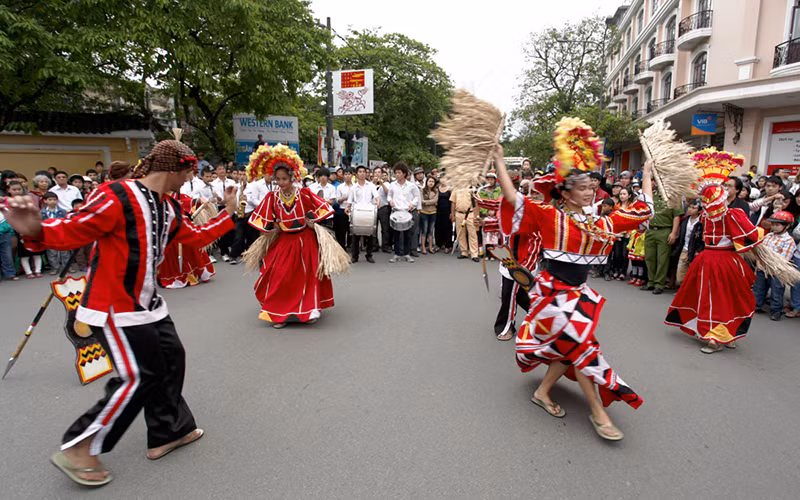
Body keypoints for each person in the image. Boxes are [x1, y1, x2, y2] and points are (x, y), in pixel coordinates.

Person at [2, 140, 235, 487]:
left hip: (149, 305)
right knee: (140, 376)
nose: (190, 178)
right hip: (114, 306)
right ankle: (80, 447)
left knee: (172, 359)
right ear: (174, 168)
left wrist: (227, 215)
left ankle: (167, 431)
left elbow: (194, 238)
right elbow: (71, 230)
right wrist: (34, 231)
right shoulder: (117, 195)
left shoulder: (168, 206)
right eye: (188, 171)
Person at [494, 119, 653, 441]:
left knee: (572, 348)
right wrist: (498, 158)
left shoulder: (600, 222)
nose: (590, 193)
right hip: (550, 297)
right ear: (565, 192)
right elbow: (513, 199)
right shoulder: (549, 215)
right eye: (582, 188)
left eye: (592, 188)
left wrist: (647, 176)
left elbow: (642, 211)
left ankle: (543, 391)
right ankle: (598, 412)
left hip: (578, 296)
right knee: (582, 348)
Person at [666, 148, 768, 354]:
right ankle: (718, 335)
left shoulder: (707, 216)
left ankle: (719, 334)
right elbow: (751, 236)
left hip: (708, 259)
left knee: (710, 297)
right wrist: (763, 230)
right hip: (726, 261)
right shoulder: (732, 214)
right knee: (724, 297)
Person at [247, 144, 335, 328]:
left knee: (307, 276)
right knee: (280, 274)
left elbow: (322, 208)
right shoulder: (272, 197)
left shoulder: (303, 193)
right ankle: (279, 313)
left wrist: (311, 222)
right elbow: (261, 220)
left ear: (292, 178)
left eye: (284, 179)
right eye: (278, 179)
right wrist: (272, 228)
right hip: (284, 241)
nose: (281, 183)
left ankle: (309, 311)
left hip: (305, 240)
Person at [157, 187, 217, 288]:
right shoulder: (157, 195)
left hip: (181, 230)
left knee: (190, 250)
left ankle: (191, 274)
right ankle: (172, 276)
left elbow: (188, 202)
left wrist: (198, 200)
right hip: (167, 231)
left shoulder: (176, 194)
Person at [753, 211, 796, 321]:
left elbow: (784, 258)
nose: (774, 227)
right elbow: (761, 250)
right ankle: (756, 305)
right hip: (763, 267)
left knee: (777, 290)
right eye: (773, 224)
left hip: (777, 270)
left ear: (786, 226)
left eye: (777, 225)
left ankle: (776, 310)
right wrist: (759, 262)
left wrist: (773, 267)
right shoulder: (768, 236)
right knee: (759, 287)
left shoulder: (789, 241)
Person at [641, 184, 683, 295]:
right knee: (649, 258)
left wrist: (673, 233)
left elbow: (676, 216)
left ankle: (659, 284)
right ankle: (650, 282)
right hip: (650, 230)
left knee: (662, 259)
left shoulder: (673, 197)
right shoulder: (651, 196)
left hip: (664, 230)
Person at [230, 168, 270, 264]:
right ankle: (233, 255)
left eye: (244, 174)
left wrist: (248, 199)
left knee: (252, 237)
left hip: (250, 213)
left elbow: (255, 200)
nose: (243, 176)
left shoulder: (253, 186)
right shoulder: (235, 187)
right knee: (238, 236)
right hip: (239, 215)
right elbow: (231, 200)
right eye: (241, 174)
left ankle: (252, 256)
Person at [387, 162, 419, 263]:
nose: (397, 175)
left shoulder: (411, 186)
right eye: (396, 173)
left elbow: (416, 197)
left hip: (407, 211)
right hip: (396, 211)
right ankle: (396, 254)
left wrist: (412, 204)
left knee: (407, 234)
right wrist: (390, 201)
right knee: (396, 234)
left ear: (404, 173)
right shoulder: (392, 185)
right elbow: (389, 195)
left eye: (399, 172)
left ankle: (407, 253)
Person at [346, 165, 378, 263]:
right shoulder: (353, 187)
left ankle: (369, 255)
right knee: (355, 235)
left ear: (366, 173)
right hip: (357, 213)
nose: (362, 173)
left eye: (364, 172)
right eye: (360, 172)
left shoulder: (371, 186)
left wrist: (378, 203)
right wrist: (347, 207)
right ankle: (355, 256)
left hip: (368, 212)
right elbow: (349, 200)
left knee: (370, 235)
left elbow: (377, 197)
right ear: (356, 174)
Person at [673, 199, 702, 287]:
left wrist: (699, 250)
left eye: (694, 208)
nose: (690, 209)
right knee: (681, 271)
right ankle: (682, 288)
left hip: (695, 249)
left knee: (693, 271)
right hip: (684, 248)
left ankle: (691, 290)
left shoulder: (701, 222)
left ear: (699, 210)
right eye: (690, 207)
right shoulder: (685, 220)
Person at [41, 192, 70, 275]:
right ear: (45, 201)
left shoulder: (62, 211)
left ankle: (66, 267)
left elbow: (66, 222)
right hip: (49, 235)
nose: (52, 202)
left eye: (54, 200)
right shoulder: (42, 212)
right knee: (52, 253)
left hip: (60, 234)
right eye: (50, 200)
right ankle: (54, 268)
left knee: (64, 252)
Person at [449, 187, 479, 261]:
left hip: (470, 213)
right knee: (460, 233)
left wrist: (477, 216)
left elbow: (476, 202)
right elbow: (453, 203)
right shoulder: (456, 189)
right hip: (459, 213)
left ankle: (474, 254)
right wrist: (452, 215)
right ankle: (464, 252)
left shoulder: (473, 189)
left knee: (472, 234)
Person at [373, 167, 393, 253]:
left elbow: (387, 192)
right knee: (373, 228)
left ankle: (386, 245)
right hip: (373, 208)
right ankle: (374, 245)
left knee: (385, 228)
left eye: (379, 172)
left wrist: (381, 183)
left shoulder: (387, 184)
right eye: (375, 172)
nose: (377, 174)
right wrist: (373, 183)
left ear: (382, 174)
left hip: (383, 208)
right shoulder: (370, 184)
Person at [70, 198, 93, 273]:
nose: (78, 208)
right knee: (79, 252)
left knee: (89, 250)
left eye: (80, 206)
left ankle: (90, 264)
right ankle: (82, 266)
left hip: (88, 235)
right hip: (76, 236)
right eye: (76, 206)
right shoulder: (70, 215)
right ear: (73, 207)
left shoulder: (88, 214)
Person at [334, 168, 354, 248]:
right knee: (342, 231)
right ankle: (342, 247)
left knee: (352, 230)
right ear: (343, 176)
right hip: (342, 210)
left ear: (352, 175)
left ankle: (351, 246)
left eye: (349, 174)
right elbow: (337, 200)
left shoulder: (355, 186)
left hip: (353, 210)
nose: (347, 176)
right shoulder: (340, 187)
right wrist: (345, 198)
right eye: (345, 174)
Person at [419, 176, 438, 254]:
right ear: (426, 182)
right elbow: (421, 201)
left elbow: (435, 201)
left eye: (433, 182)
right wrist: (431, 202)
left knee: (431, 231)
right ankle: (423, 247)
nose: (431, 183)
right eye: (429, 181)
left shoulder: (436, 191)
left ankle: (430, 247)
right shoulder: (422, 190)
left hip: (433, 213)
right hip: (424, 213)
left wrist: (427, 202)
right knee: (424, 230)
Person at [435, 178, 453, 253]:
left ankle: (448, 245)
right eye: (442, 179)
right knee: (438, 227)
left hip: (448, 211)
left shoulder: (450, 189)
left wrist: (452, 213)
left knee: (448, 228)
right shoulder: (437, 189)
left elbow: (453, 201)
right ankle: (438, 244)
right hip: (438, 211)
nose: (443, 180)